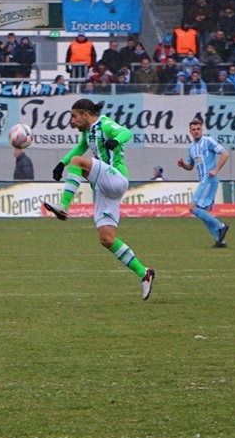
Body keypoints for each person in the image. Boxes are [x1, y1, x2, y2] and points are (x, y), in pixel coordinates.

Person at [42, 99, 156, 300]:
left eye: (74, 117)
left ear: (85, 114)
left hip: (116, 177)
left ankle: (63, 205)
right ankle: (143, 273)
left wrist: (116, 140)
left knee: (79, 163)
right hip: (104, 187)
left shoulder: (103, 124)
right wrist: (61, 163)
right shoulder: (88, 133)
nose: (73, 122)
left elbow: (126, 132)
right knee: (107, 239)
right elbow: (78, 149)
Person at [177, 118, 230, 248]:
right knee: (203, 212)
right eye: (193, 130)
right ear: (190, 131)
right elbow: (191, 166)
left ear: (202, 129)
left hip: (209, 179)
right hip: (203, 180)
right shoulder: (192, 147)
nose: (196, 131)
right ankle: (220, 240)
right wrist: (183, 165)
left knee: (192, 207)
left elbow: (225, 153)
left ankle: (221, 226)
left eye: (198, 129)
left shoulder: (208, 141)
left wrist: (216, 170)